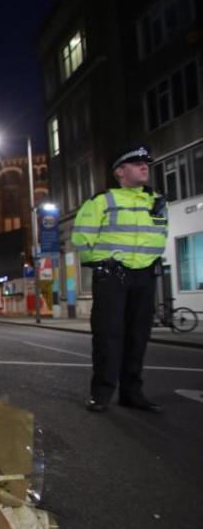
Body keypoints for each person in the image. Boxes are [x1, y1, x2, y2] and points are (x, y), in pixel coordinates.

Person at [71, 146, 167, 413]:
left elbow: (158, 237)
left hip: (145, 276)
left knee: (138, 336)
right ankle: (101, 394)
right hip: (112, 276)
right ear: (120, 172)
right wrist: (101, 264)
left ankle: (131, 393)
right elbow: (80, 237)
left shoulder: (157, 201)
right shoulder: (103, 200)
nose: (144, 166)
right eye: (137, 163)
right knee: (108, 336)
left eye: (146, 162)